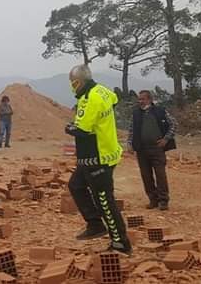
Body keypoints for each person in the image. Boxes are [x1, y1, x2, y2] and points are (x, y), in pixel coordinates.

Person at [65, 64, 131, 255]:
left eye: (73, 82)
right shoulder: (103, 90)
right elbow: (115, 101)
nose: (72, 86)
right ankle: (95, 224)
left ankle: (121, 242)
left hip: (98, 157)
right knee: (76, 185)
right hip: (94, 156)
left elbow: (82, 130)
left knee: (104, 200)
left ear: (79, 81)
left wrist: (68, 128)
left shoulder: (90, 98)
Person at [127, 90, 177, 211]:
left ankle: (163, 200)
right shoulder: (136, 113)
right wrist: (129, 144)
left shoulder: (160, 111)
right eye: (139, 99)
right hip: (141, 149)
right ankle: (153, 199)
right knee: (146, 176)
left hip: (157, 149)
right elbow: (131, 130)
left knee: (160, 175)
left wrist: (165, 139)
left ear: (149, 99)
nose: (140, 102)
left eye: (142, 99)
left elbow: (174, 124)